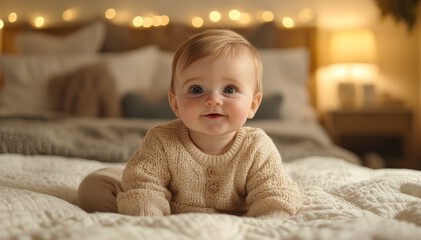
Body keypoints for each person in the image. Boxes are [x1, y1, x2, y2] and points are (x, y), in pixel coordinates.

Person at [78, 29, 302, 219]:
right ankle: (126, 177)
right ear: (175, 103)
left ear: (253, 104)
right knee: (94, 186)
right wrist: (150, 219)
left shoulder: (257, 146)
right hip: (164, 204)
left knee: (282, 191)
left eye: (229, 90)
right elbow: (144, 185)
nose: (213, 99)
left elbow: (274, 198)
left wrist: (265, 223)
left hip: (240, 211)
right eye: (196, 90)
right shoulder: (162, 139)